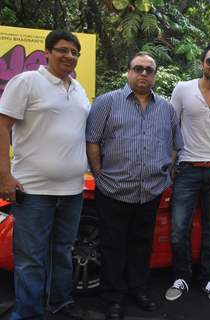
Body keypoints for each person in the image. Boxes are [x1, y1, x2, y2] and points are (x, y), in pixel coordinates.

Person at [86, 51, 182, 320]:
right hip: (113, 189)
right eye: (138, 68)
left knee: (142, 245)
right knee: (112, 247)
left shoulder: (166, 109)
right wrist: (98, 173)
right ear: (128, 72)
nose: (143, 74)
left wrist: (166, 175)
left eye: (149, 70)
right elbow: (92, 140)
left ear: (155, 75)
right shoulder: (107, 103)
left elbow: (175, 146)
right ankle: (113, 299)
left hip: (149, 192)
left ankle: (139, 290)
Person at [0, 30, 88, 320]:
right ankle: (28, 313)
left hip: (73, 190)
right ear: (47, 52)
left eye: (75, 52)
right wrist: (4, 175)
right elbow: (3, 126)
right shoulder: (26, 82)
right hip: (33, 189)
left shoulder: (79, 90)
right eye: (63, 50)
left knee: (63, 251)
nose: (70, 56)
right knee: (30, 259)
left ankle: (60, 304)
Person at [164, 43, 210, 303]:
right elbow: (172, 127)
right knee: (179, 228)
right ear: (202, 63)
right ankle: (181, 277)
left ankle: (209, 279)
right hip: (187, 169)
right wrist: (170, 164)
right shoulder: (183, 89)